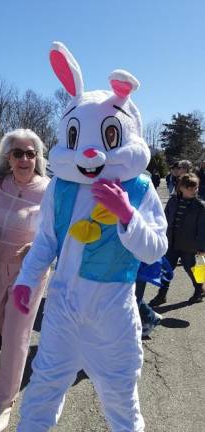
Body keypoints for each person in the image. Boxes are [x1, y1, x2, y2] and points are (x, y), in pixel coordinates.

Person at [13, 42, 167, 432]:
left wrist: (126, 215)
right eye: (78, 135)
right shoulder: (61, 188)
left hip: (112, 311)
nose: (91, 151)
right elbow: (46, 241)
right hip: (63, 305)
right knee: (44, 387)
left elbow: (155, 251)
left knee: (119, 397)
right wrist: (27, 280)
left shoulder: (139, 188)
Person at [0, 129, 50, 432]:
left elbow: (57, 234)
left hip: (30, 275)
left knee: (15, 334)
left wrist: (36, 249)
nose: (24, 159)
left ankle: (4, 404)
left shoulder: (50, 189)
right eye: (18, 153)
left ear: (38, 157)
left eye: (30, 153)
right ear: (8, 157)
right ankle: (11, 371)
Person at [149, 173, 205, 306]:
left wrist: (201, 247)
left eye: (195, 188)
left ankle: (199, 291)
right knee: (166, 270)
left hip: (189, 245)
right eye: (189, 188)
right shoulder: (173, 201)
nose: (193, 191)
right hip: (171, 242)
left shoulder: (200, 206)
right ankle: (161, 295)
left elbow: (203, 228)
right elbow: (164, 219)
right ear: (181, 188)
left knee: (191, 269)